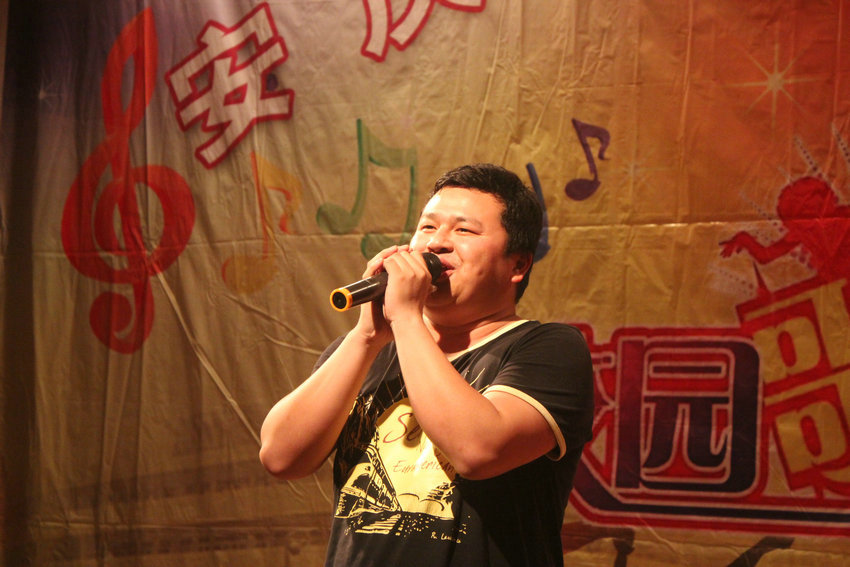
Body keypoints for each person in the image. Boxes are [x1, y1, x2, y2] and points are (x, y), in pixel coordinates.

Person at [259, 163, 595, 566]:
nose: (436, 243)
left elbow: (477, 450)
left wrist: (405, 318)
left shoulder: (548, 348)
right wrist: (366, 336)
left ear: (517, 265)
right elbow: (280, 457)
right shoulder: (367, 350)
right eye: (427, 227)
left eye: (464, 230)